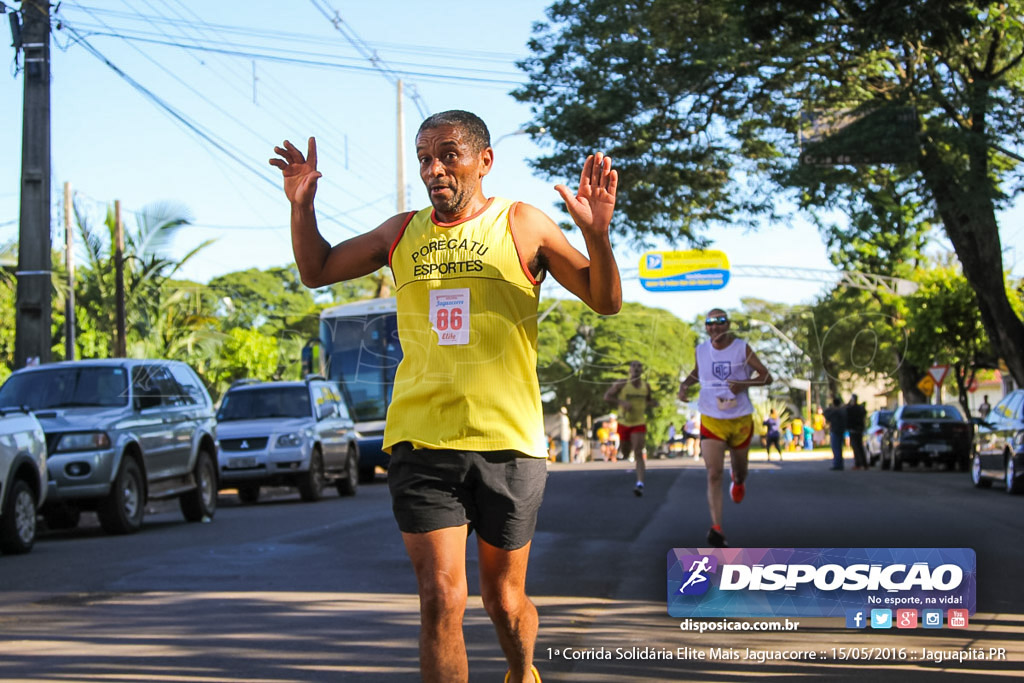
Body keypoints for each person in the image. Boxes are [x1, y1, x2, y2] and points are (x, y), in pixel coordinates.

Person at [271, 110, 621, 683]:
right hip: (421, 439)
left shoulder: (523, 224)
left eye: (448, 154)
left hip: (508, 442)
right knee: (440, 598)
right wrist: (302, 206)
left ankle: (521, 670)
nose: (434, 169)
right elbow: (317, 269)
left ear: (484, 161)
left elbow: (604, 300)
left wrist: (597, 235)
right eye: (424, 158)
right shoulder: (400, 234)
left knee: (504, 601)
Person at [677, 309, 773, 548]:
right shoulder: (701, 350)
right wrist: (684, 385)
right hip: (711, 417)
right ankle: (717, 528)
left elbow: (766, 376)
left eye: (720, 322)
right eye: (710, 323)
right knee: (713, 473)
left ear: (728, 325)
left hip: (740, 418)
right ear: (706, 327)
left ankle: (738, 481)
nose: (715, 327)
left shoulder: (741, 348)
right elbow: (698, 372)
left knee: (740, 471)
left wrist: (744, 384)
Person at [604, 360, 656, 496]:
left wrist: (653, 403)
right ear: (630, 370)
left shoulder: (646, 386)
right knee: (626, 451)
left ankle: (640, 483)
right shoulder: (622, 384)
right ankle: (625, 451)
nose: (637, 368)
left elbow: (649, 400)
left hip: (639, 422)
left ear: (642, 371)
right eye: (634, 366)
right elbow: (607, 396)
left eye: (640, 366)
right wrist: (621, 402)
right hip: (624, 422)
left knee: (638, 451)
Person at [824, 396, 848, 470]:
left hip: (835, 430)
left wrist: (832, 408)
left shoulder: (834, 412)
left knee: (836, 448)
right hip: (841, 430)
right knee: (839, 448)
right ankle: (839, 463)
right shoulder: (842, 411)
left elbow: (826, 414)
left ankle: (837, 464)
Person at [846, 394, 868, 469]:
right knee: (860, 447)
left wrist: (849, 403)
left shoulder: (851, 408)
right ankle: (864, 464)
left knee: (856, 447)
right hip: (859, 429)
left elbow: (846, 408)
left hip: (854, 429)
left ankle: (858, 464)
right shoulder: (860, 408)